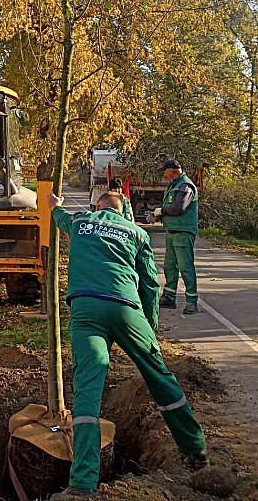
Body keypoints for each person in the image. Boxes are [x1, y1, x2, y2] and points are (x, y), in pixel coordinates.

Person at [46, 190, 208, 500]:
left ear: (96, 207)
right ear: (124, 212)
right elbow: (149, 282)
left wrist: (54, 205)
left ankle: (82, 484)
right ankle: (195, 449)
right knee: (159, 376)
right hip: (127, 309)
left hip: (87, 311)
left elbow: (60, 218)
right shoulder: (136, 232)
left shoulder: (80, 221)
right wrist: (149, 327)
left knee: (88, 389)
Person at [154, 158, 200, 315]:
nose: (164, 174)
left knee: (185, 268)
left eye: (165, 171)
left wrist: (162, 211)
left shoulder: (185, 186)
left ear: (172, 170)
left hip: (183, 232)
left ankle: (191, 302)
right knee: (170, 266)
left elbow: (179, 208)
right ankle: (169, 297)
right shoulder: (174, 185)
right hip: (173, 231)